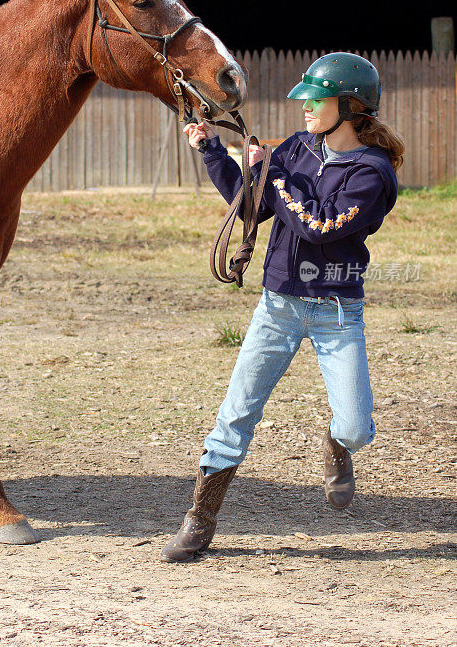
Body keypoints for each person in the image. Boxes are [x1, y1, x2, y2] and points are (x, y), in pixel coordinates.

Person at [161, 52, 405, 563]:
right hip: (278, 306)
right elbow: (249, 203)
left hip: (337, 312)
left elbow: (318, 227)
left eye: (316, 100)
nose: (305, 110)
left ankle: (337, 445)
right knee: (237, 414)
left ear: (350, 105)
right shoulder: (297, 149)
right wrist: (213, 151)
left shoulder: (373, 173)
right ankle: (200, 519)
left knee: (357, 427)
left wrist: (271, 174)